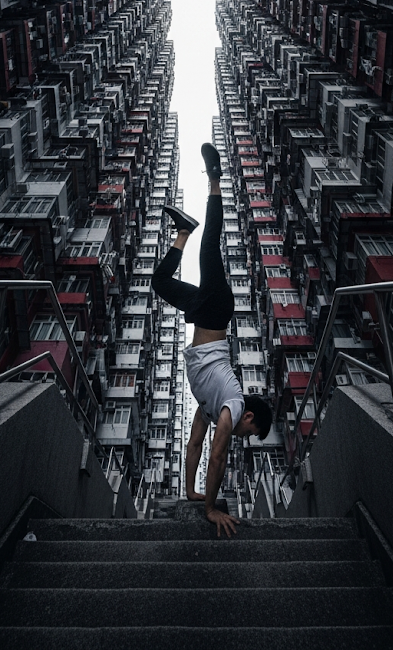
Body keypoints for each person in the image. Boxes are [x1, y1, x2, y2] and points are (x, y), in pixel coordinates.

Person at [151, 142, 273, 537]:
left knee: (159, 282)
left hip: (203, 311)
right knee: (211, 246)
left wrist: (190, 490)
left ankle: (183, 231)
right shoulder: (233, 405)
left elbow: (194, 446)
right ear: (249, 418)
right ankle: (216, 180)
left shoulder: (209, 409)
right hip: (216, 310)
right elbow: (217, 455)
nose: (241, 436)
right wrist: (209, 510)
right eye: (249, 433)